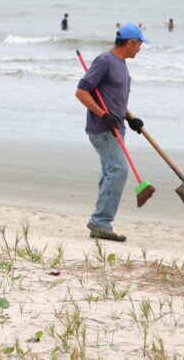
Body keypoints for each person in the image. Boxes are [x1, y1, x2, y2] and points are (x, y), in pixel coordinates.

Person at [75, 23, 150, 242]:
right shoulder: (105, 61)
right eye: (140, 44)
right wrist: (102, 114)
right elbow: (81, 92)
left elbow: (113, 99)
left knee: (110, 173)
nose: (140, 49)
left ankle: (99, 223)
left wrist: (130, 117)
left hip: (117, 128)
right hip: (103, 129)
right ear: (130, 42)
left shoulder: (121, 64)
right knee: (118, 171)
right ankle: (100, 222)